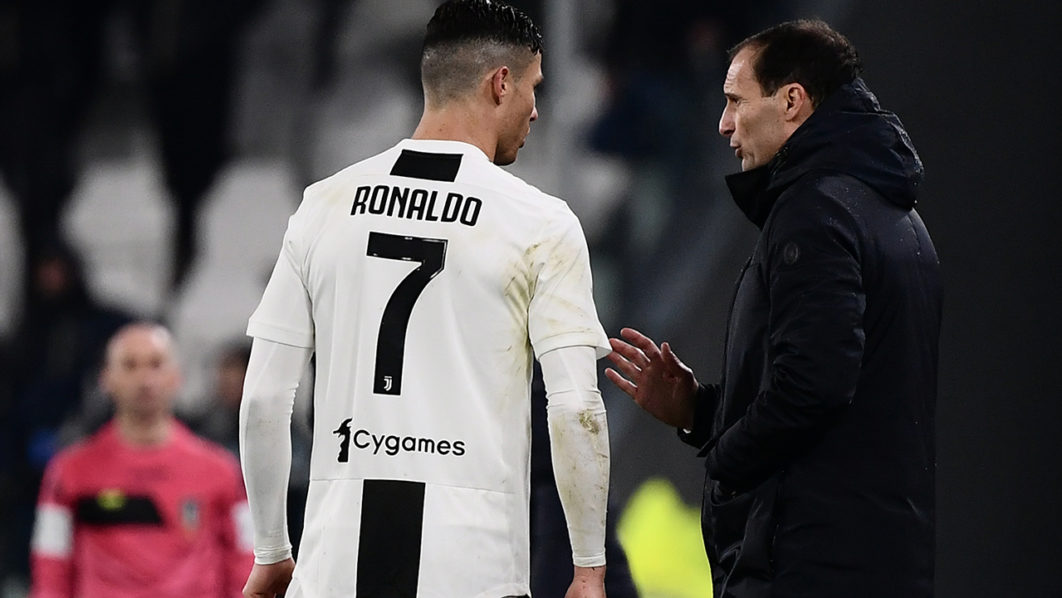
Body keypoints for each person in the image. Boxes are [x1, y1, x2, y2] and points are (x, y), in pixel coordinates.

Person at [238, 2, 612, 597]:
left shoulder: (323, 205)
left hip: (336, 564)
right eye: (534, 88)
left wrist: (271, 551)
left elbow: (263, 397)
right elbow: (575, 407)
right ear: (501, 83)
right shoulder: (540, 224)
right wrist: (589, 566)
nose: (536, 110)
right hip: (472, 567)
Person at [605, 19, 941, 598]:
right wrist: (699, 411)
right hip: (878, 558)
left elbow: (813, 387)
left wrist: (724, 462)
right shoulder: (898, 219)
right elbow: (842, 405)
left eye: (736, 101)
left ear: (791, 102)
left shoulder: (814, 213)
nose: (723, 123)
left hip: (809, 564)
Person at [29, 323, 255, 598]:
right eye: (130, 365)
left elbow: (246, 560)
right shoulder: (69, 471)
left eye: (155, 364)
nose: (144, 379)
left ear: (176, 376)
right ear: (106, 378)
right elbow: (50, 563)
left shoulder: (222, 471)